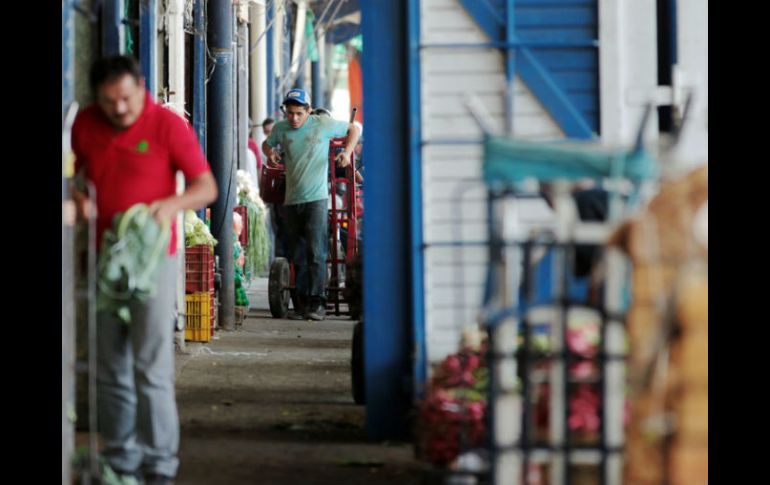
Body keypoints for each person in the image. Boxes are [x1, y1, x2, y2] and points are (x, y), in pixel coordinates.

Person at [71, 55, 218, 485]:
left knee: (151, 367)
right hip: (105, 266)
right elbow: (79, 180)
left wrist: (171, 204)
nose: (119, 108)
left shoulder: (167, 125)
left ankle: (159, 465)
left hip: (153, 264)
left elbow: (206, 187)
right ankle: (122, 461)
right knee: (109, 367)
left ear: (142, 89)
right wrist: (80, 202)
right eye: (109, 101)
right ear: (97, 98)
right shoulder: (84, 125)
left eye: (127, 98)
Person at [262, 89, 360, 320]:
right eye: (290, 113)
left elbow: (353, 129)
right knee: (298, 254)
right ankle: (303, 304)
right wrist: (271, 154)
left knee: (316, 252)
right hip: (291, 199)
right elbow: (267, 144)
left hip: (316, 199)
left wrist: (346, 152)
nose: (294, 118)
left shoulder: (323, 124)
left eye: (298, 113)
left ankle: (318, 303)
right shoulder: (281, 128)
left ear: (309, 110)